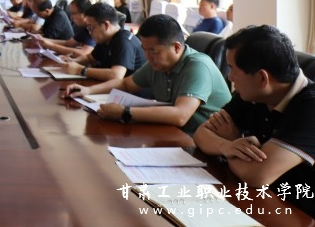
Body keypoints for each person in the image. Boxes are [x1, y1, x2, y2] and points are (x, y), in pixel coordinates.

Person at [193, 25, 315, 217]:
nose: (230, 77)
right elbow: (201, 133)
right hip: (258, 199)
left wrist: (233, 143)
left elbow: (258, 175)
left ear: (262, 78)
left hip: (298, 214)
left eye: (233, 69)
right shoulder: (253, 94)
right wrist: (227, 146)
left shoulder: (310, 107)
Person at [66, 14, 231, 134]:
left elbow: (180, 115)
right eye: (144, 50)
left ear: (176, 47)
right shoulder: (158, 64)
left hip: (206, 143)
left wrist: (125, 112)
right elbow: (125, 84)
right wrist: (88, 90)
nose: (148, 56)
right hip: (173, 133)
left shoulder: (198, 66)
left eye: (153, 51)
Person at [58, 2, 146, 82]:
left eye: (91, 28)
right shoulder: (105, 38)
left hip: (130, 93)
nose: (89, 32)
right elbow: (90, 58)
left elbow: (116, 75)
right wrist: (73, 61)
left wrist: (80, 70)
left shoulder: (123, 41)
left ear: (106, 25)